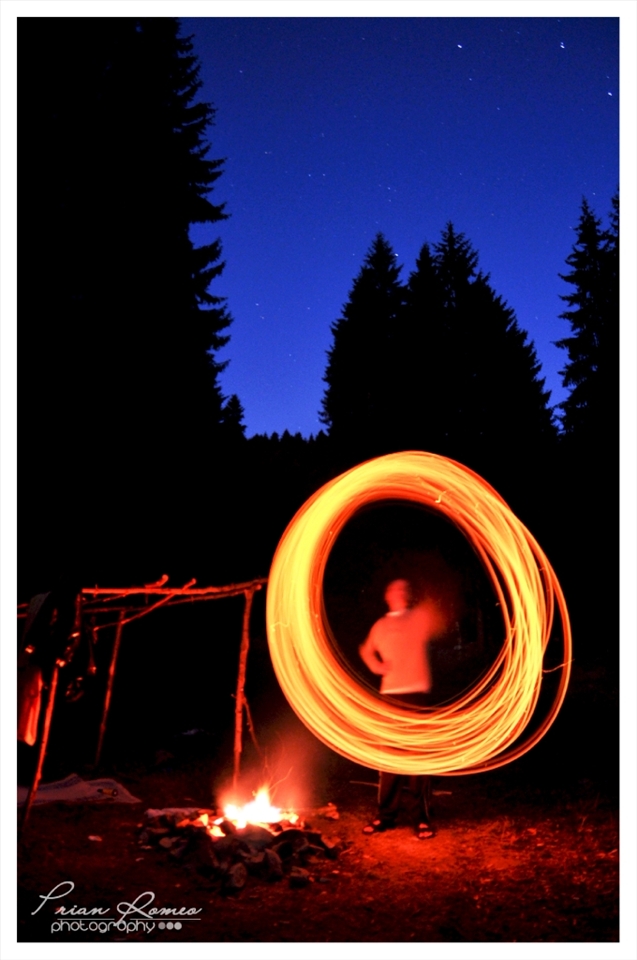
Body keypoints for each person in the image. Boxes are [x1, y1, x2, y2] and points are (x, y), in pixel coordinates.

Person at [358, 578, 441, 840]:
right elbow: (366, 650)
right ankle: (386, 816)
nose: (399, 592)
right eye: (394, 588)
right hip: (391, 696)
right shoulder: (381, 625)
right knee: (390, 760)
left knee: (417, 759)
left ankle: (422, 819)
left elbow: (439, 614)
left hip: (416, 694)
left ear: (409, 594)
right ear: (387, 595)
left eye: (404, 588)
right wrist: (376, 666)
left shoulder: (418, 618)